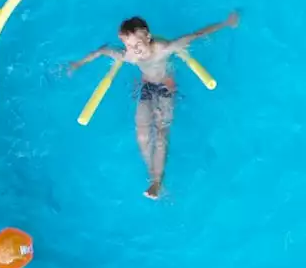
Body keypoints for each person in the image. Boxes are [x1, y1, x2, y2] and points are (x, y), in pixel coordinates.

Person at [68, 12, 239, 199]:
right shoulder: (131, 56)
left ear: (148, 37)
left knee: (160, 132)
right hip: (147, 87)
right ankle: (153, 175)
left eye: (137, 44)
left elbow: (196, 35)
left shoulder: (163, 48)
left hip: (166, 86)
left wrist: (225, 23)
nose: (134, 50)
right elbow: (103, 50)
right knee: (141, 133)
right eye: (129, 46)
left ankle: (157, 181)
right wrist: (79, 63)